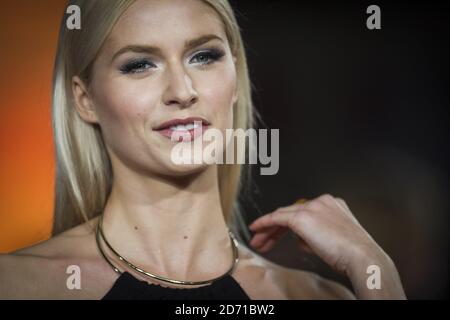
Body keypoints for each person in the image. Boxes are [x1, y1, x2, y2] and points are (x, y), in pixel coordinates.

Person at [0, 0, 405, 299]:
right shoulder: (15, 285)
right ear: (85, 98)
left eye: (204, 56)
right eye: (140, 64)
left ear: (234, 75)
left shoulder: (313, 297)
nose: (182, 91)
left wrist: (375, 268)